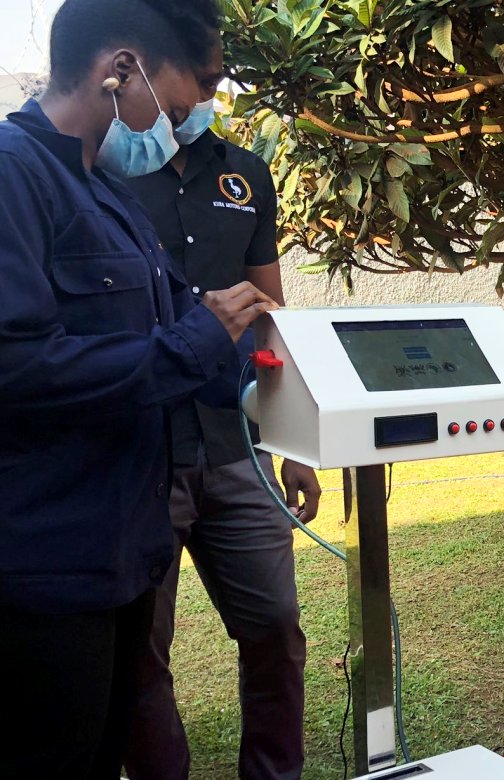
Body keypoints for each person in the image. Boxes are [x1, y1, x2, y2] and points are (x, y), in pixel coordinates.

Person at [0, 0, 278, 777]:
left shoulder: (110, 194)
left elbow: (169, 339)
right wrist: (196, 337)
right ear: (119, 71)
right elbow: (16, 366)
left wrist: (267, 382)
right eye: (179, 107)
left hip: (126, 552)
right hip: (48, 569)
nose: (181, 128)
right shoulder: (12, 178)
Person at [123, 39, 321, 780]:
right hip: (142, 456)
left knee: (275, 627)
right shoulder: (103, 174)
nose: (206, 95)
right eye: (197, 80)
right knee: (141, 648)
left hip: (238, 447)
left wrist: (294, 438)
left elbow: (273, 315)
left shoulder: (246, 174)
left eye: (215, 82)